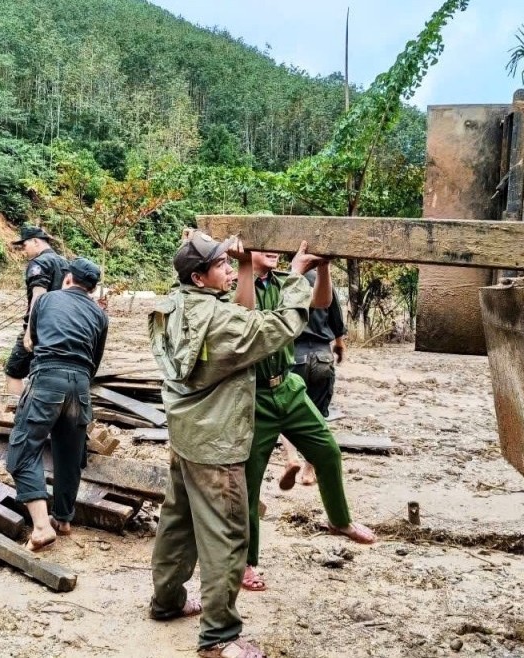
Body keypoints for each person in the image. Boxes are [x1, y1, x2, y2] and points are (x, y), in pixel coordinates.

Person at [148, 230, 321, 658]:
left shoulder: (176, 305)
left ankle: (166, 601)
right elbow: (277, 327)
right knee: (226, 536)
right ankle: (218, 637)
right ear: (200, 276)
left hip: (187, 433)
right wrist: (295, 277)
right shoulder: (222, 322)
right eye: (222, 264)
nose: (229, 268)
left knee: (177, 522)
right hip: (218, 443)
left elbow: (234, 321)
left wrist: (243, 266)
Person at [237, 251, 375, 593]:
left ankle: (339, 520)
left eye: (276, 246)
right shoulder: (237, 284)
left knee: (327, 451)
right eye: (263, 246)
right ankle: (245, 562)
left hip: (288, 386)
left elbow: (322, 301)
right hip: (253, 396)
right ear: (246, 252)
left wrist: (324, 266)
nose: (273, 252)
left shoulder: (283, 280)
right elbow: (247, 315)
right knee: (249, 483)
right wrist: (292, 270)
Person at [6, 258, 108, 549]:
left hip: (47, 380)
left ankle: (40, 527)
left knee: (24, 449)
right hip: (80, 387)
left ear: (67, 279)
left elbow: (33, 342)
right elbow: (94, 362)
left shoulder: (46, 300)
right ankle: (62, 519)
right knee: (70, 455)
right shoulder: (100, 316)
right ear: (93, 288)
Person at [278, 270, 347, 490]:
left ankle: (291, 458)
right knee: (317, 416)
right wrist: (339, 344)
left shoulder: (287, 281)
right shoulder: (324, 282)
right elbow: (336, 320)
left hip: (293, 356)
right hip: (322, 357)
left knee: (287, 413)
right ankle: (309, 470)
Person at [4, 226, 68, 394]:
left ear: (35, 241)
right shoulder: (65, 263)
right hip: (61, 328)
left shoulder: (40, 263)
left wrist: (30, 331)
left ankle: (15, 413)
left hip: (40, 327)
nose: (23, 251)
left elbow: (38, 297)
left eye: (24, 246)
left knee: (13, 371)